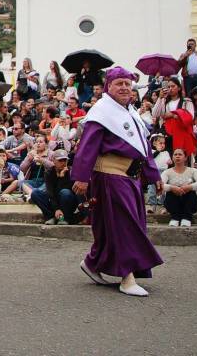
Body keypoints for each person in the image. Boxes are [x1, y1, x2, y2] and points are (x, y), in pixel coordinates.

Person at [72, 66, 164, 297]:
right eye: (119, 83)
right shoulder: (101, 112)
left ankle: (93, 263)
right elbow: (87, 147)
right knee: (124, 227)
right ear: (108, 87)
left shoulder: (130, 112)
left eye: (127, 83)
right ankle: (127, 277)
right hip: (110, 177)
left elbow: (144, 148)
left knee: (115, 226)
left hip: (131, 177)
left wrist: (154, 175)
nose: (124, 87)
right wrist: (82, 177)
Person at [31, 150, 84, 224]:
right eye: (60, 160)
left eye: (65, 160)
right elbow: (51, 192)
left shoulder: (71, 172)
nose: (63, 163)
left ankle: (65, 218)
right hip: (54, 201)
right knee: (35, 193)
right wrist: (57, 209)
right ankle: (51, 216)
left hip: (67, 201)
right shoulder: (49, 172)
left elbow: (67, 190)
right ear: (53, 161)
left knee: (65, 192)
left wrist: (62, 177)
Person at [161, 148, 197, 227]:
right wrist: (172, 188)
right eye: (175, 154)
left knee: (190, 191)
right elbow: (161, 185)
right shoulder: (167, 172)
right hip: (173, 202)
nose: (177, 156)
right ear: (172, 157)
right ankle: (175, 218)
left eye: (180, 154)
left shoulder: (193, 171)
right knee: (171, 191)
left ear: (185, 158)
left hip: (190, 202)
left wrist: (189, 187)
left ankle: (187, 218)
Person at [146, 134, 171, 213]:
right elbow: (151, 158)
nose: (162, 145)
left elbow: (169, 161)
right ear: (154, 143)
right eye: (160, 143)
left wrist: (170, 162)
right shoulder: (152, 152)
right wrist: (158, 151)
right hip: (153, 172)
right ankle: (151, 205)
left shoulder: (166, 153)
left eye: (163, 143)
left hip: (164, 172)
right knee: (152, 189)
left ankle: (162, 206)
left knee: (163, 190)